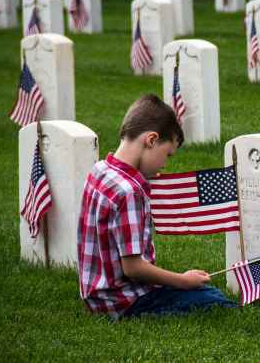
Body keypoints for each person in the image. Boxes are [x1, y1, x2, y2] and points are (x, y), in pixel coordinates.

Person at [77, 94, 235, 320]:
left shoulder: (100, 170)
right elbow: (133, 268)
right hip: (125, 301)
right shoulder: (128, 191)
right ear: (151, 140)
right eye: (167, 155)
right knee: (213, 299)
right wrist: (183, 280)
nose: (164, 164)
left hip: (97, 294)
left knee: (203, 293)